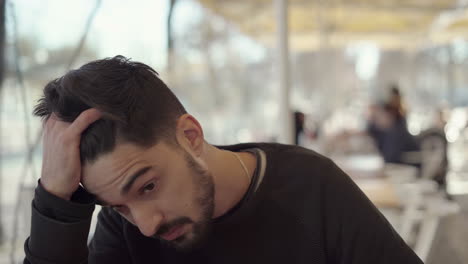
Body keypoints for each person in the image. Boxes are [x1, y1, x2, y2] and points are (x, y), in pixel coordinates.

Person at [24, 56, 423, 264]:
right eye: (120, 207)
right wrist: (55, 202)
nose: (145, 225)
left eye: (148, 186)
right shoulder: (122, 228)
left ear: (190, 136)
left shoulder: (311, 187)